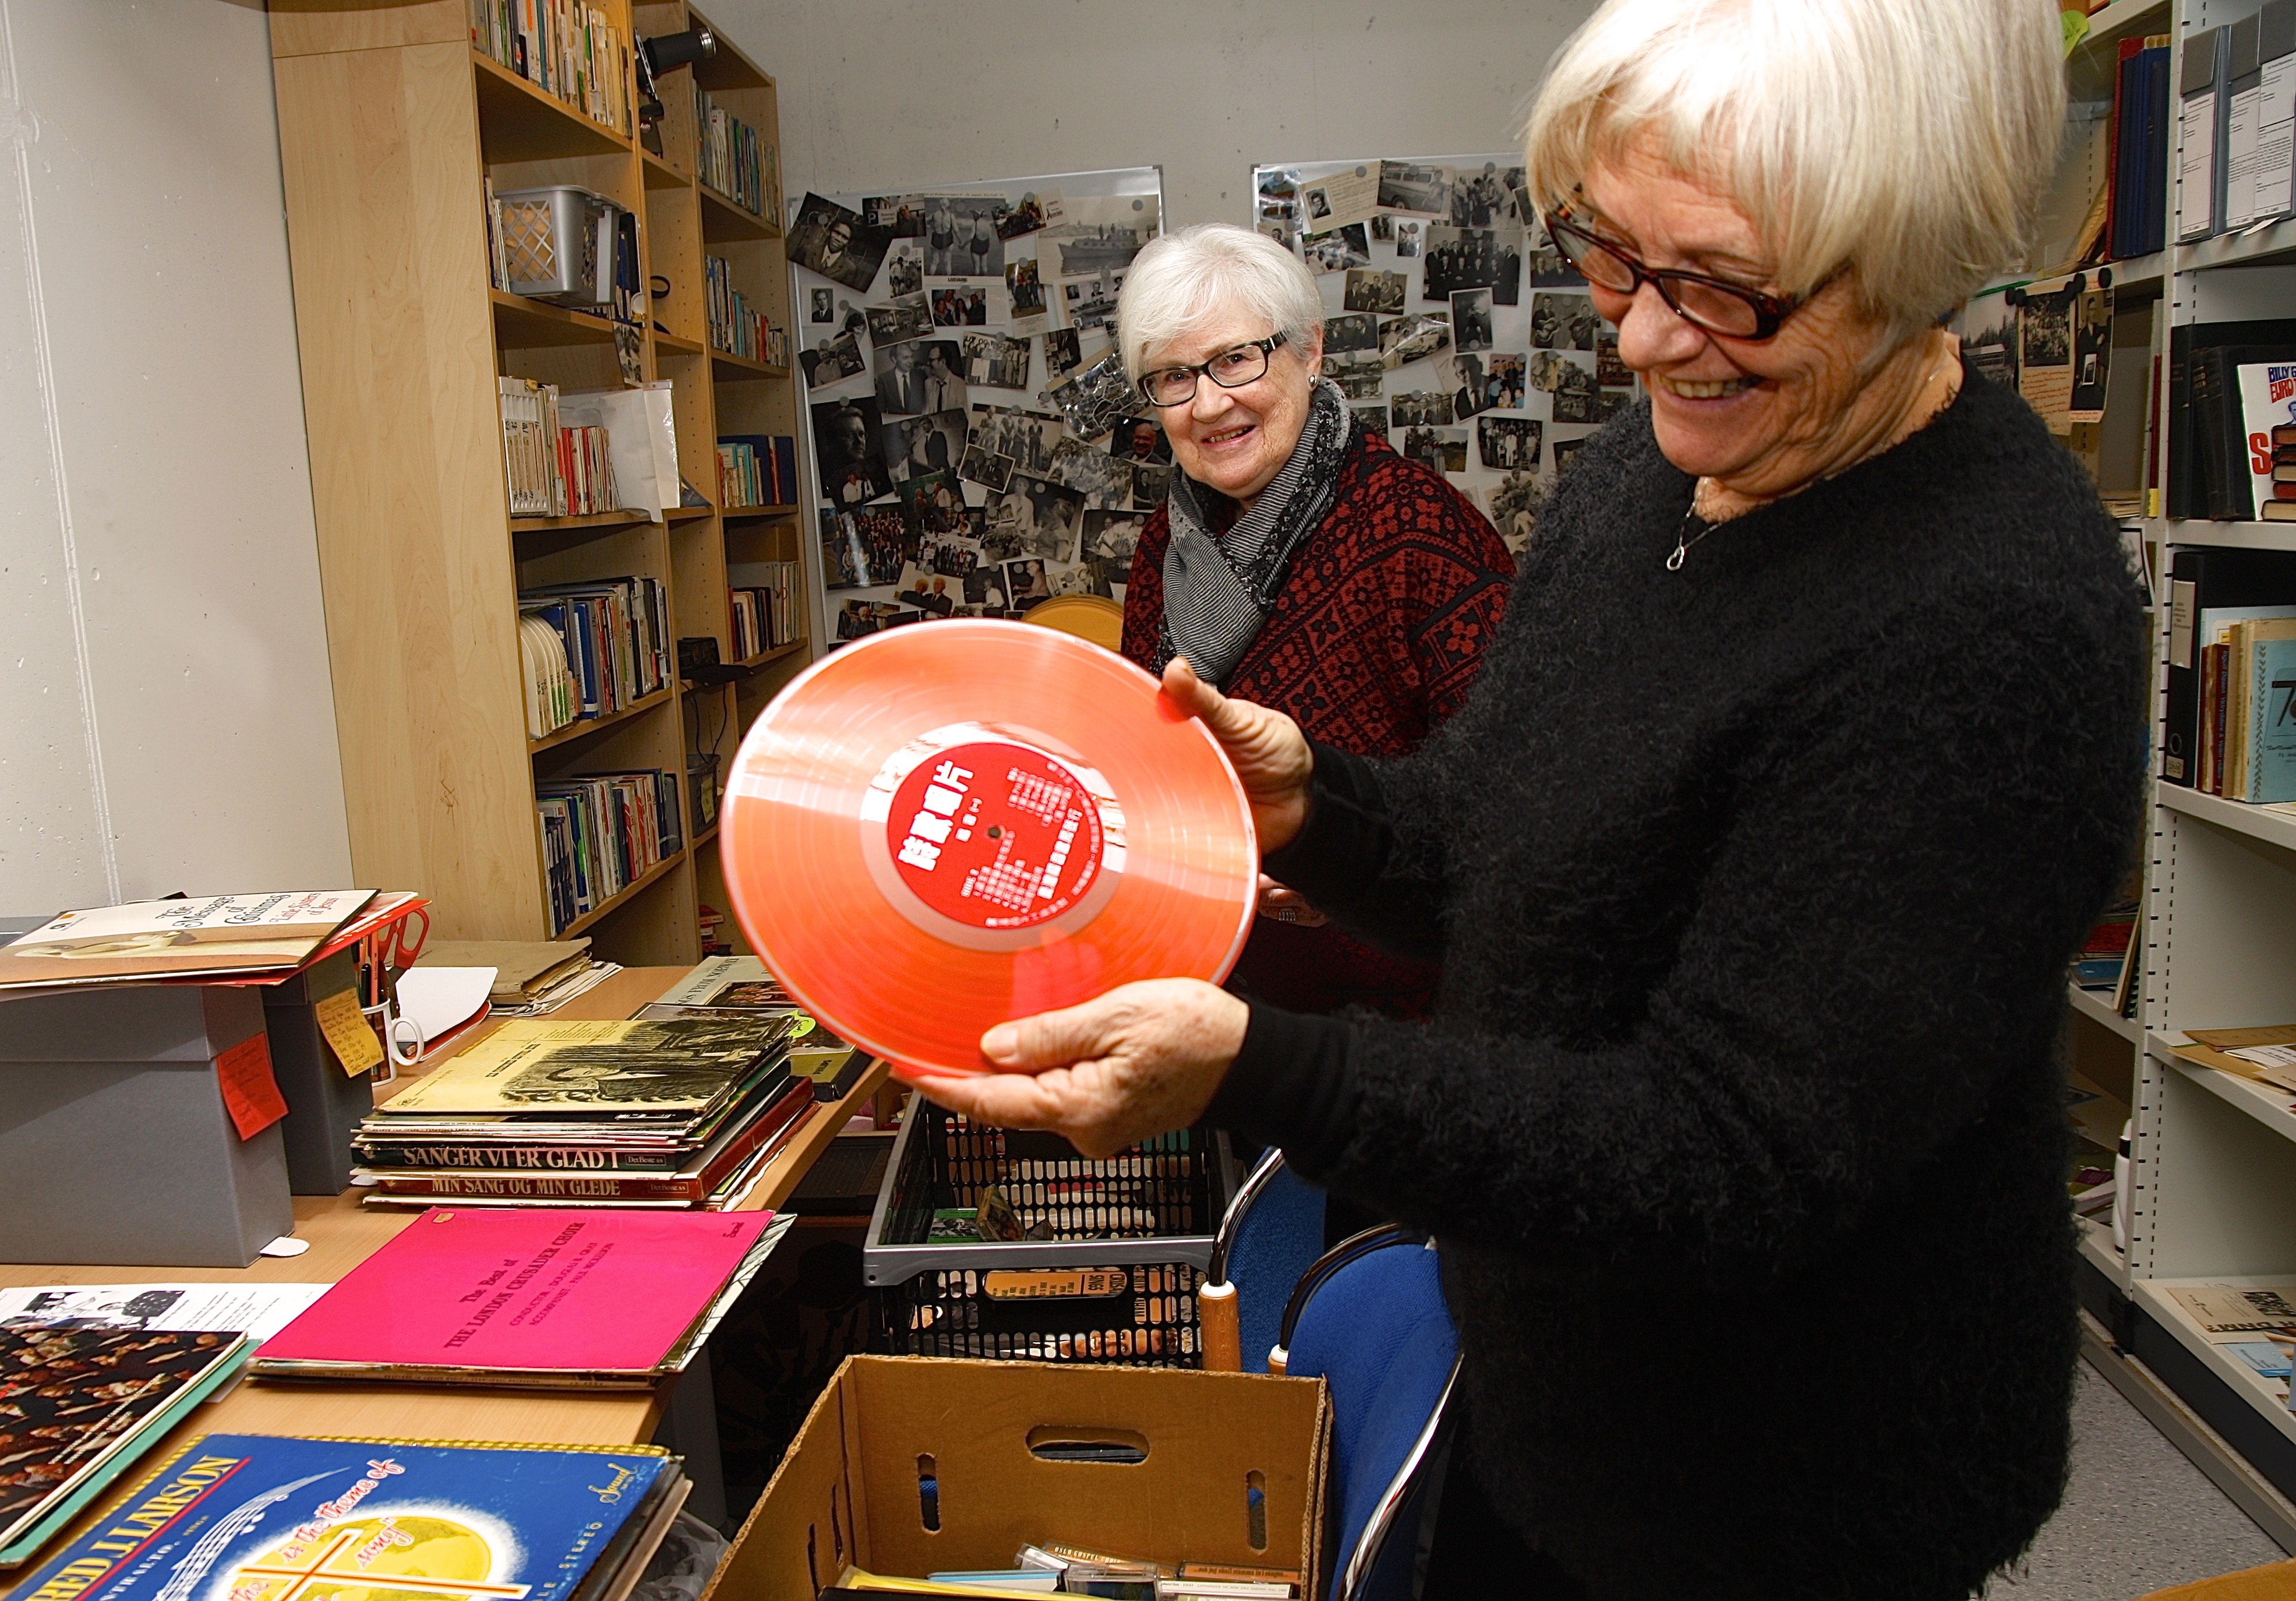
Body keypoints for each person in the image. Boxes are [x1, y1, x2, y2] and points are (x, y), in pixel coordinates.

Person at [909, 2, 2147, 1596]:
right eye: (1609, 259)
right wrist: (1318, 808)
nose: (1634, 338)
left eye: (1714, 282)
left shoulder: (1983, 619)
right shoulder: (1668, 460)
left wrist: (1257, 1066)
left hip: (1776, 1489)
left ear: (1909, 257)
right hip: (1545, 1375)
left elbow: (1727, 1152)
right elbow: (1511, 850)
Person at [1108, 222, 1514, 1021]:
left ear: (1310, 352)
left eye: (1235, 359)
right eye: (1174, 377)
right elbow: (1149, 752)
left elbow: (1509, 791)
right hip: (1231, 999)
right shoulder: (1168, 540)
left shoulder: (1417, 526)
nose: (1210, 403)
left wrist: (1353, 865)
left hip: (1409, 1018)